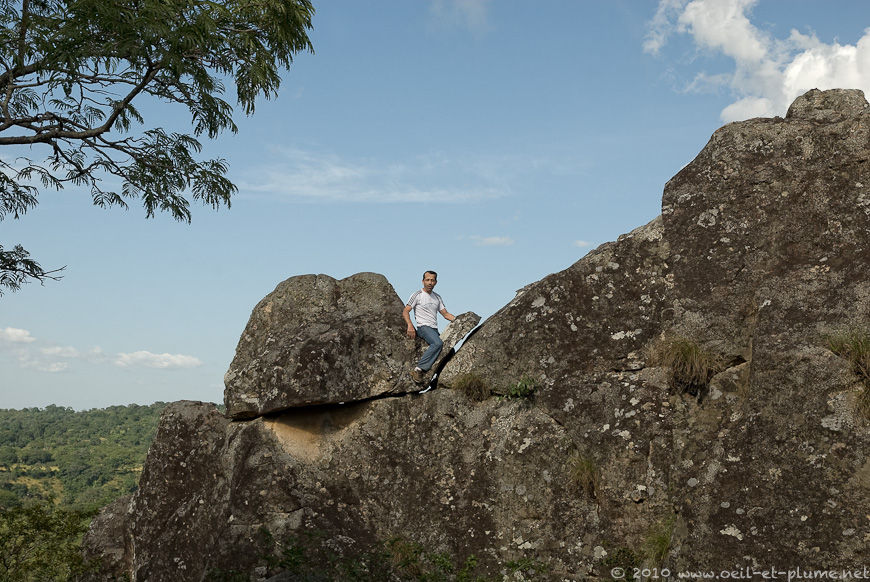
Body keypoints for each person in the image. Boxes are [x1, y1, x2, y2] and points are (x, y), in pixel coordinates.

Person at [403, 270, 455, 383]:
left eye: (432, 280)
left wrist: (459, 320)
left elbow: (446, 314)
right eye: (427, 280)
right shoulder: (417, 295)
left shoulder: (437, 297)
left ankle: (439, 379)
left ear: (436, 282)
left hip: (434, 329)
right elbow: (406, 311)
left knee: (450, 350)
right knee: (437, 343)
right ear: (423, 281)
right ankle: (418, 369)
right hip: (423, 328)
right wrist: (410, 325)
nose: (430, 282)